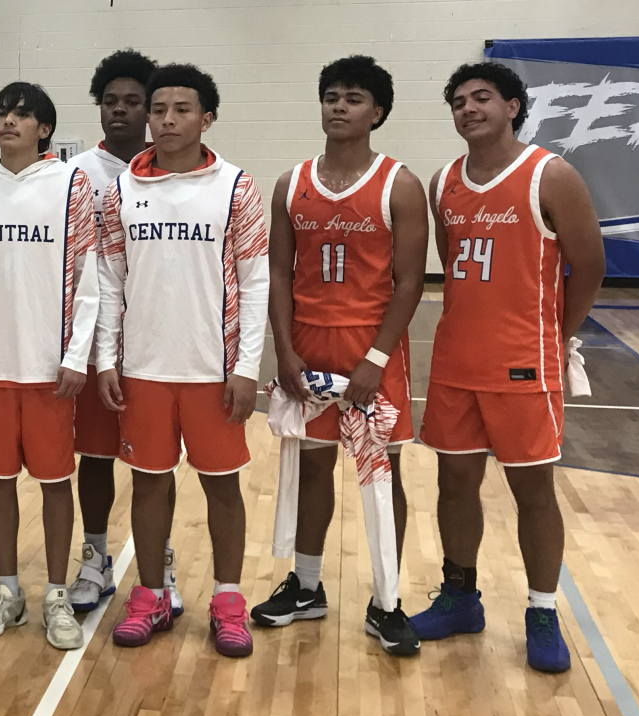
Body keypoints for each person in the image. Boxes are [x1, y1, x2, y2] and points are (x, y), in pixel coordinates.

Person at [409, 62, 604, 673]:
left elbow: (590, 265)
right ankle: (461, 597)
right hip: (455, 362)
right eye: (459, 102)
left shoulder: (550, 174)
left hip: (525, 366)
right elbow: (453, 261)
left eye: (482, 98)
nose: (469, 109)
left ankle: (542, 610)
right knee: (453, 484)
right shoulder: (443, 182)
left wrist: (554, 336)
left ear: (513, 106)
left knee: (533, 492)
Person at [250, 55, 426, 655]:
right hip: (308, 343)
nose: (339, 106)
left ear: (377, 111)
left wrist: (376, 359)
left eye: (353, 98)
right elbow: (277, 270)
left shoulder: (398, 183)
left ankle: (388, 599)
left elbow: (409, 282)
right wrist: (285, 349)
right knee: (310, 468)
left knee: (382, 474)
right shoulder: (291, 181)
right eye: (331, 96)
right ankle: (305, 585)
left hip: (370, 348)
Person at [96, 64, 268, 658]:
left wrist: (246, 368)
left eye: (182, 110)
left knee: (223, 490)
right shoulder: (122, 190)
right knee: (148, 485)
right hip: (143, 368)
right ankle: (151, 595)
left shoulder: (236, 187)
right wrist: (105, 359)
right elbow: (109, 280)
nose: (167, 120)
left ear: (207, 118)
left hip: (212, 372)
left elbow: (255, 282)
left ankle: (227, 601)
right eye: (159, 109)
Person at [0, 82, 96, 651]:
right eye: (1, 113)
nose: (8, 121)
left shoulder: (70, 185)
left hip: (49, 366)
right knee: (1, 480)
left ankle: (56, 594)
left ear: (45, 129)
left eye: (22, 114)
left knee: (57, 484)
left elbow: (91, 280)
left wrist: (78, 355)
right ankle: (7, 591)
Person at [65, 48, 172, 618]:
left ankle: (161, 556)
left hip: (160, 340)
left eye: (134, 102)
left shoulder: (176, 172)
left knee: (157, 464)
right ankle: (96, 555)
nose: (121, 111)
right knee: (97, 456)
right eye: (111, 101)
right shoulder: (76, 174)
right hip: (96, 342)